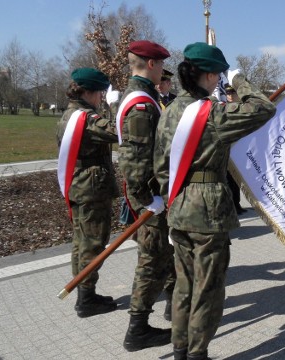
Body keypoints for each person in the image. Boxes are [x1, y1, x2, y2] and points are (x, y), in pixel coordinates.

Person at [154, 42, 276, 360]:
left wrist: (173, 203)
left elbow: (160, 167)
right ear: (208, 76)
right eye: (219, 76)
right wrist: (239, 80)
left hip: (179, 207)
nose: (220, 81)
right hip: (207, 211)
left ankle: (180, 350)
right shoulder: (212, 115)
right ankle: (198, 353)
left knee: (183, 285)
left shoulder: (169, 112)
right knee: (207, 288)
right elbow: (263, 108)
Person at [116, 39, 175, 352]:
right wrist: (148, 198)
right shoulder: (141, 103)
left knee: (164, 258)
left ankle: (170, 310)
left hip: (154, 196)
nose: (163, 69)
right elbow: (136, 161)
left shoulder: (144, 96)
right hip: (151, 199)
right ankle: (137, 329)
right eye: (162, 64)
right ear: (151, 64)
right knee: (151, 261)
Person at [55, 68, 118, 318]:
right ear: (89, 92)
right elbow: (117, 131)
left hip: (78, 184)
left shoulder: (69, 114)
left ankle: (85, 291)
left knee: (81, 242)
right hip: (91, 188)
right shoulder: (86, 118)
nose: (102, 98)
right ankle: (86, 298)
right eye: (101, 93)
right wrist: (115, 107)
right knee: (93, 242)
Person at [223, 84, 246, 215]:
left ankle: (237, 203)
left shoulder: (243, 107)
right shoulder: (223, 108)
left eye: (233, 93)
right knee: (229, 179)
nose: (230, 96)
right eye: (228, 93)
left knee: (237, 179)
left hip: (240, 147)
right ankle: (231, 205)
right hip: (229, 148)